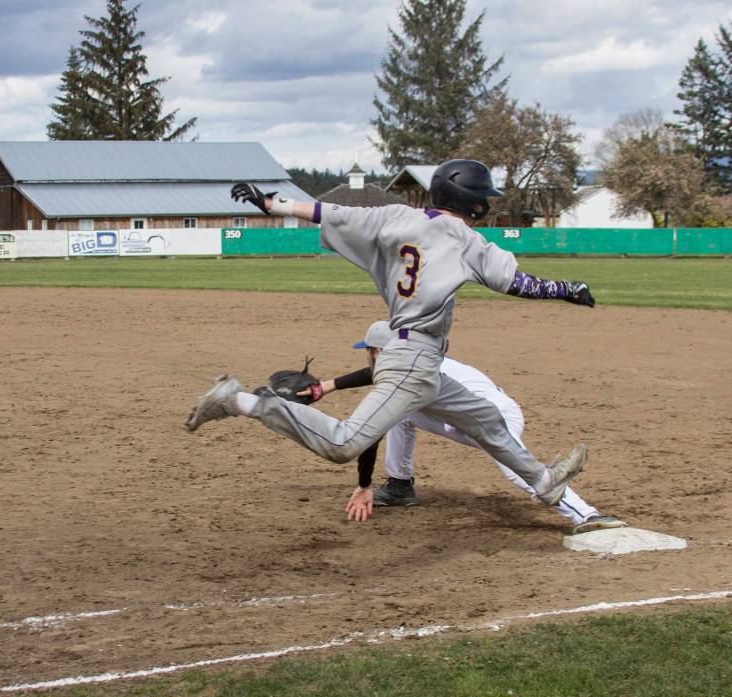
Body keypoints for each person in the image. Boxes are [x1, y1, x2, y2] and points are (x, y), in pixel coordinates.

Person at [187, 160, 597, 511]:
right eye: (483, 199)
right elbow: (516, 282)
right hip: (414, 361)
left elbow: (327, 211)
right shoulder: (465, 240)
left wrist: (273, 203)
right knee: (343, 444)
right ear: (472, 202)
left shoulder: (395, 217)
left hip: (420, 360)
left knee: (487, 421)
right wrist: (568, 290)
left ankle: (544, 483)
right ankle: (238, 399)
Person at [307, 320, 626, 534]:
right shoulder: (413, 360)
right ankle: (400, 486)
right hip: (459, 419)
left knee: (516, 469)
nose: (368, 357)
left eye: (369, 350)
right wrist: (328, 385)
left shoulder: (409, 374)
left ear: (381, 352)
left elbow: (372, 428)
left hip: (492, 416)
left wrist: (363, 484)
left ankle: (587, 515)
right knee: (402, 416)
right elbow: (373, 376)